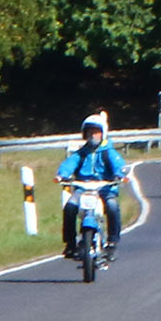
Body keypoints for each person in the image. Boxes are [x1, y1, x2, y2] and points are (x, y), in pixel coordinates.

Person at [58, 111, 127, 261]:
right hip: (83, 188)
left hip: (105, 188)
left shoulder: (108, 152)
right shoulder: (81, 153)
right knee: (70, 206)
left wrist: (119, 174)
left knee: (112, 206)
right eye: (89, 132)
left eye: (96, 132)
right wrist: (62, 174)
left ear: (103, 133)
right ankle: (70, 244)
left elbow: (119, 165)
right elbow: (69, 164)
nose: (92, 135)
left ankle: (112, 242)